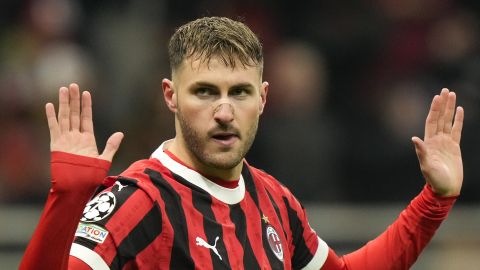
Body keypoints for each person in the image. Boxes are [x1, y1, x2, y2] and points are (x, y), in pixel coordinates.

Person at [20, 16, 464, 270]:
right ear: (170, 96)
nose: (225, 111)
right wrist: (67, 201)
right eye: (205, 91)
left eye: (240, 92)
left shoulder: (274, 200)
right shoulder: (141, 203)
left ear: (263, 98)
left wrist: (434, 201)